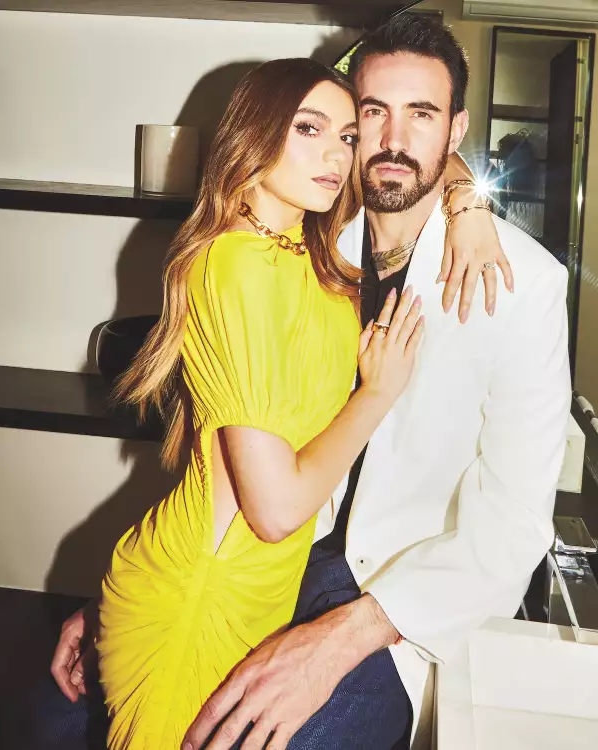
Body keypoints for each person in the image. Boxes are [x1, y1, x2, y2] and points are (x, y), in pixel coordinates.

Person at [39, 52, 510, 750]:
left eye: (346, 136)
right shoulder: (234, 263)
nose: (337, 155)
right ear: (254, 133)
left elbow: (413, 149)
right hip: (202, 597)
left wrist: (468, 200)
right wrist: (377, 394)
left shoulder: (302, 244)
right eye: (308, 129)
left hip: (260, 591)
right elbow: (276, 509)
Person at [177, 16, 571, 750]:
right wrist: (152, 588)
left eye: (421, 114)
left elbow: (515, 521)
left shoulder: (527, 286)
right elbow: (239, 423)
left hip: (394, 597)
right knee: (66, 715)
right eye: (373, 112)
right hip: (269, 553)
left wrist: (341, 637)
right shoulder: (307, 235)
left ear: (456, 130)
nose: (394, 139)